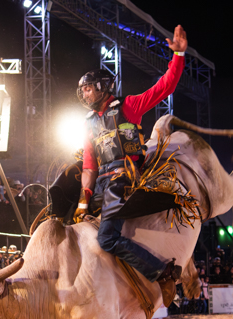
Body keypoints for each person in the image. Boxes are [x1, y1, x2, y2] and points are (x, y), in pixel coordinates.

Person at [73, 25, 188, 284]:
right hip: (102, 182)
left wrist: (178, 56)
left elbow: (164, 88)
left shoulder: (129, 106)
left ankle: (164, 273)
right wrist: (83, 200)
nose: (84, 93)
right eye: (83, 90)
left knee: (106, 239)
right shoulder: (88, 122)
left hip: (126, 180)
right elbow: (89, 166)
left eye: (89, 88)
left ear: (103, 87)